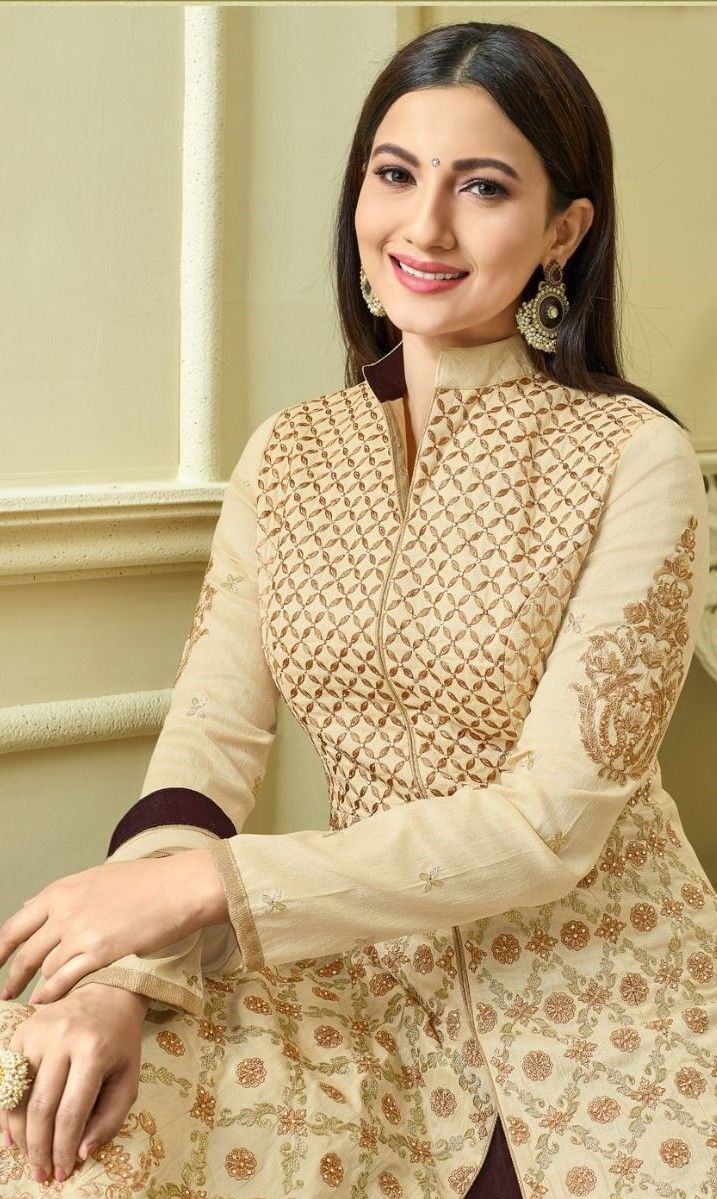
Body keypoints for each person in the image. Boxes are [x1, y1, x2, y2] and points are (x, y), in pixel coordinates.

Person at [1, 18, 715, 1198]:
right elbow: (207, 748)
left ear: (563, 231)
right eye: (395, 175)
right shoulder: (290, 456)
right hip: (353, 982)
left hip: (598, 998)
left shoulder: (633, 458)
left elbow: (550, 825)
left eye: (482, 187)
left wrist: (216, 886)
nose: (423, 227)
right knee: (62, 1122)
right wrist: (120, 974)